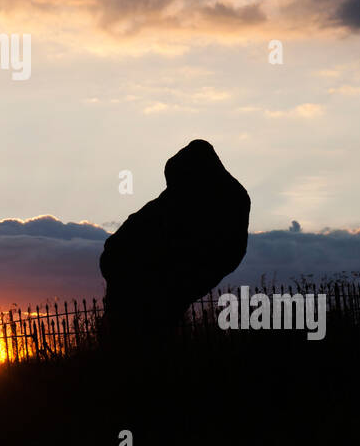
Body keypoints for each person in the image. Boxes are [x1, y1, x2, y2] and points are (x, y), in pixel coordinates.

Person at [99, 139, 250, 346]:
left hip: (153, 279)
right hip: (141, 276)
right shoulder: (173, 206)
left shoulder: (180, 205)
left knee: (145, 337)